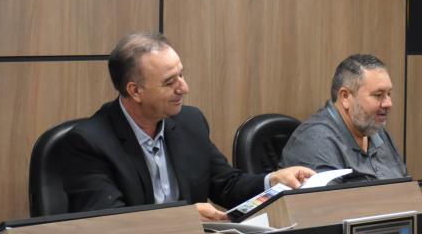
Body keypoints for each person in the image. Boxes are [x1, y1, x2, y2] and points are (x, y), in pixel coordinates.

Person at [60, 32, 315, 220]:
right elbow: (109, 222)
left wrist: (272, 181)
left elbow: (226, 185)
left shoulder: (190, 123)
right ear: (135, 91)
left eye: (181, 75)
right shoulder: (89, 143)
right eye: (170, 82)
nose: (184, 88)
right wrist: (182, 218)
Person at [280, 54, 407, 182]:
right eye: (378, 95)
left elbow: (405, 185)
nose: (388, 103)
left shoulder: (374, 128)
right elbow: (330, 195)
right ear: (345, 97)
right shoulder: (316, 140)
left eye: (389, 94)